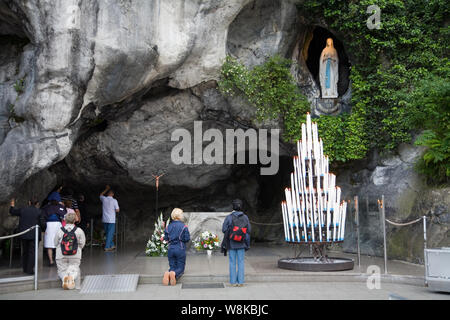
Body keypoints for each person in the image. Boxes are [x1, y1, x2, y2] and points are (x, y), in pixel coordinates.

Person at [9, 198, 43, 274]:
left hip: (24, 234)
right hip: (34, 235)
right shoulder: (39, 211)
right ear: (37, 203)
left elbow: (12, 212)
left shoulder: (23, 209)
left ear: (29, 202)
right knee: (32, 252)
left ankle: (25, 268)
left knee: (25, 251)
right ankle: (29, 270)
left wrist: (12, 205)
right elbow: (43, 224)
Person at [222, 199, 251, 287]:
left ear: (233, 206)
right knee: (241, 262)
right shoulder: (245, 217)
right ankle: (241, 282)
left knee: (232, 262)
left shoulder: (229, 217)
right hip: (242, 242)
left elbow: (224, 229)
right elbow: (249, 230)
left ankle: (233, 282)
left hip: (232, 243)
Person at [54, 211, 86, 290]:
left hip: (61, 254)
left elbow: (55, 243)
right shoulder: (79, 230)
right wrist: (77, 248)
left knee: (62, 270)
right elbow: (82, 243)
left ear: (64, 220)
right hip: (75, 254)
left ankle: (65, 277)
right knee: (75, 268)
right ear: (74, 220)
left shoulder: (60, 230)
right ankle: (74, 282)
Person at [163, 208, 190, 286]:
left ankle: (168, 273)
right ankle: (174, 274)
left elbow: (166, 238)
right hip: (180, 248)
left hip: (171, 248)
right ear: (180, 216)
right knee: (181, 267)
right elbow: (187, 238)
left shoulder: (169, 226)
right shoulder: (184, 226)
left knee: (172, 266)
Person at [42, 193, 67, 266]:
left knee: (49, 244)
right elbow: (65, 216)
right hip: (58, 225)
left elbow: (42, 217)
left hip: (48, 226)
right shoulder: (61, 207)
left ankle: (51, 261)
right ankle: (59, 261)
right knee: (59, 244)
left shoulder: (46, 207)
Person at [99, 185, 119, 252]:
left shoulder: (104, 199)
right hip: (111, 220)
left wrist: (106, 189)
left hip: (105, 219)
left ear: (107, 193)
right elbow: (117, 210)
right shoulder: (114, 200)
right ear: (113, 194)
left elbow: (101, 194)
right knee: (110, 233)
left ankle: (112, 245)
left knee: (108, 233)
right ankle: (107, 247)